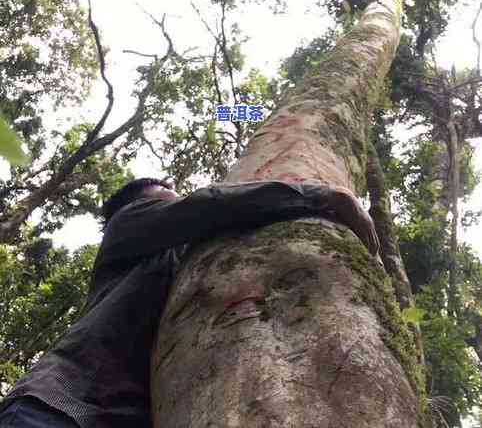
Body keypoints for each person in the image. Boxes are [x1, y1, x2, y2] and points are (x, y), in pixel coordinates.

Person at [0, 177, 379, 428]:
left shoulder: (182, 267)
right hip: (60, 408)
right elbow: (206, 206)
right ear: (140, 204)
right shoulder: (129, 227)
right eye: (168, 195)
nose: (178, 198)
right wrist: (320, 197)